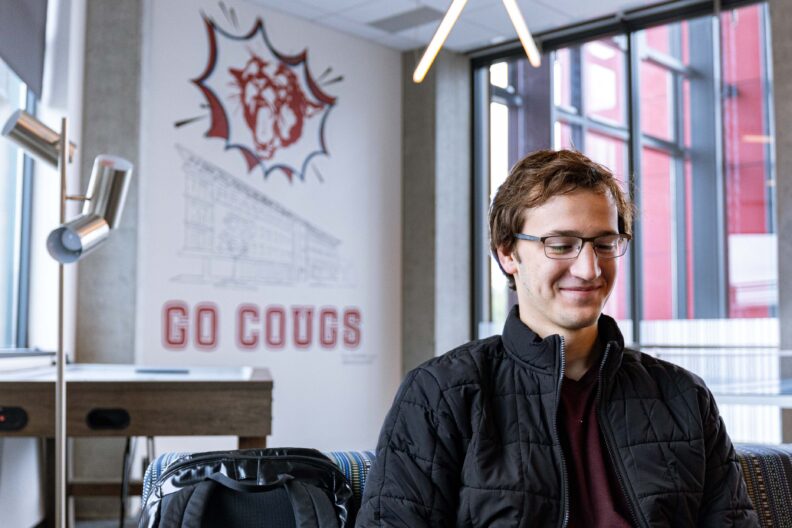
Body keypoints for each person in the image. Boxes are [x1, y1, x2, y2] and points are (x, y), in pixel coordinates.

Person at [356, 149, 757, 527]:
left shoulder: (682, 395)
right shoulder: (441, 395)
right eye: (561, 245)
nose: (589, 269)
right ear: (507, 254)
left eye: (604, 244)